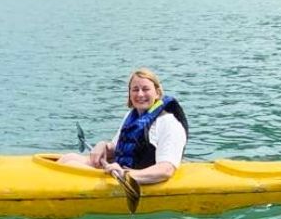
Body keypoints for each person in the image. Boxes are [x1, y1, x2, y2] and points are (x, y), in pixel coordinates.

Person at [58, 68, 188, 185]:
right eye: (135, 89)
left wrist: (126, 174)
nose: (140, 94)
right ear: (130, 94)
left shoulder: (169, 124)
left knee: (71, 165)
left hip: (137, 178)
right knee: (68, 158)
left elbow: (166, 170)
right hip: (119, 170)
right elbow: (118, 148)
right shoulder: (131, 117)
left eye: (145, 89)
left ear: (157, 93)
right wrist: (103, 146)